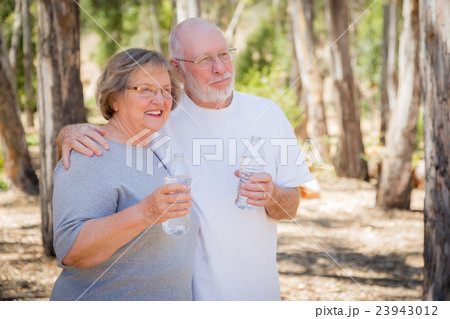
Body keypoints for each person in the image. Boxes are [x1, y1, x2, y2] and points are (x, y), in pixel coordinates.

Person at [57, 18, 313, 300]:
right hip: (195, 299)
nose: (221, 68)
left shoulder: (268, 114)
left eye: (225, 54)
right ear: (177, 67)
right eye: (204, 59)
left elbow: (290, 208)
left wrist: (273, 194)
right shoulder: (160, 119)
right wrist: (67, 134)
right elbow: (113, 137)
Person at [50, 48, 199, 301]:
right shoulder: (89, 152)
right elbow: (72, 250)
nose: (160, 100)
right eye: (145, 90)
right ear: (114, 98)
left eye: (165, 90)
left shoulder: (155, 150)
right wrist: (144, 213)